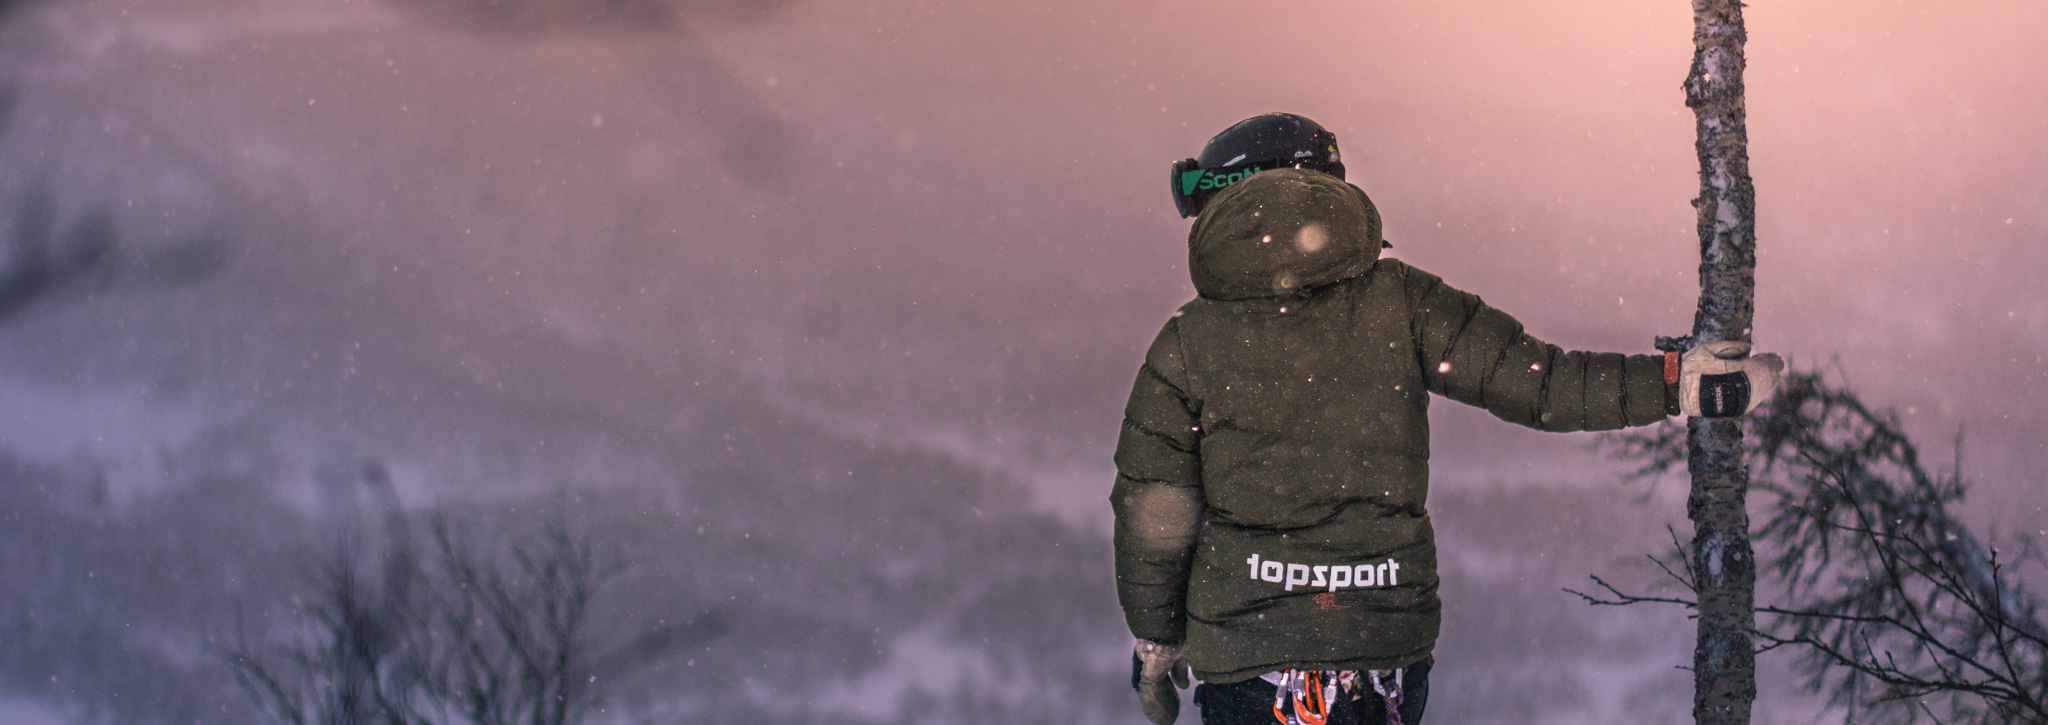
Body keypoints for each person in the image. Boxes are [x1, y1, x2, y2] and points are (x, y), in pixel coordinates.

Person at [1112, 113, 1784, 725]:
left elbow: (1153, 512)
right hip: (1382, 654)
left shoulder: (1187, 342)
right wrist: (1679, 384)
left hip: (1250, 665)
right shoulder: (1401, 301)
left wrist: (1157, 636)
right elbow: (1541, 383)